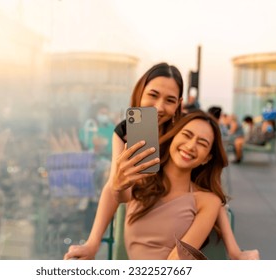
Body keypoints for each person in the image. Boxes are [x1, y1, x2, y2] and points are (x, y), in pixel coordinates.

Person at [63, 62, 259, 260]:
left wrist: (234, 250)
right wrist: (92, 243)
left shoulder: (182, 132)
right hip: (144, 211)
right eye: (153, 95)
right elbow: (116, 190)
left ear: (179, 104)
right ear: (140, 91)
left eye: (170, 100)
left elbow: (212, 196)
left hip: (179, 216)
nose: (159, 107)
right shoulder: (127, 133)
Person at [113, 111, 227, 259]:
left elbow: (177, 259)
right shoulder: (141, 180)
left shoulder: (208, 201)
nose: (191, 146)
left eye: (202, 143)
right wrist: (117, 184)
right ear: (174, 136)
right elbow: (120, 197)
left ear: (207, 158)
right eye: (187, 135)